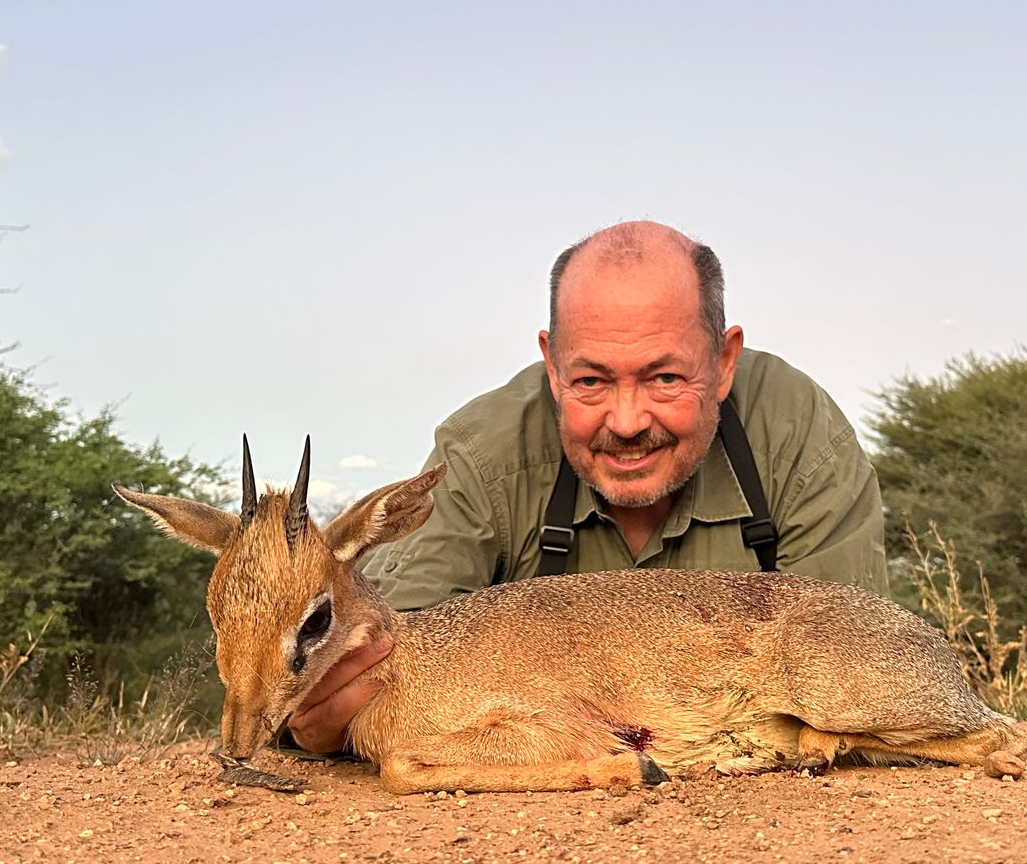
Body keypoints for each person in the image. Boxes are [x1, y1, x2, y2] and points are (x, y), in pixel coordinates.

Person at [285, 220, 887, 755]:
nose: (626, 422)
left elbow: (854, 652)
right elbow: (373, 664)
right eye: (591, 381)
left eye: (665, 377)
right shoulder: (480, 452)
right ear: (552, 365)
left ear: (724, 362)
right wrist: (325, 714)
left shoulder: (799, 433)